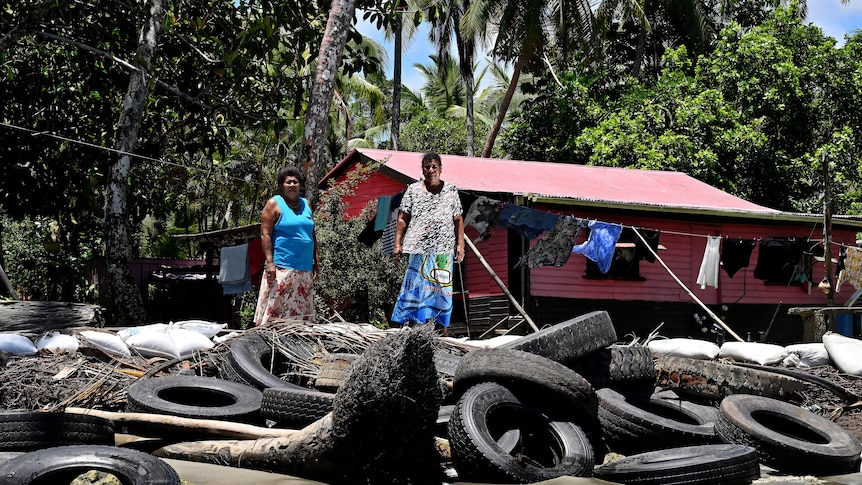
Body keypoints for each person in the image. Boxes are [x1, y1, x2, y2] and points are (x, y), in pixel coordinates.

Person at [391, 152, 465, 335]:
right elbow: (402, 218)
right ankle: (416, 332)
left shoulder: (451, 190)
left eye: (434, 167)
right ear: (422, 170)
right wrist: (397, 244)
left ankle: (443, 333)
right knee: (416, 289)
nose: (431, 170)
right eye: (427, 167)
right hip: (418, 250)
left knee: (442, 291)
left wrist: (460, 246)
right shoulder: (413, 190)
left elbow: (458, 219)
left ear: (440, 169)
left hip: (443, 251)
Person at [254, 165, 320, 325]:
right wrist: (270, 263)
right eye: (288, 182)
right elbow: (265, 234)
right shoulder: (274, 203)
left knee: (300, 318)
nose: (292, 185)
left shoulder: (306, 204)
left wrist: (317, 261)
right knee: (277, 314)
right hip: (282, 268)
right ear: (281, 185)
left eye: (295, 182)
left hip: (304, 269)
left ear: (300, 185)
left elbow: (312, 234)